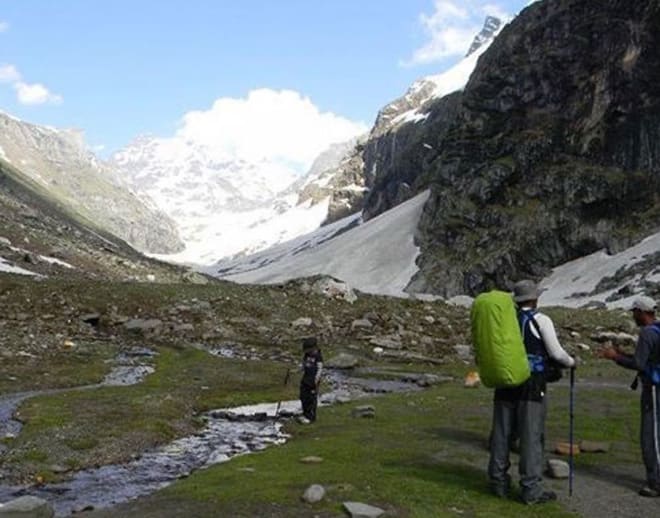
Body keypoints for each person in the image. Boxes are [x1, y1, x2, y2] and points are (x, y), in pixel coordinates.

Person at [488, 279, 576, 504]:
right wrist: (571, 362)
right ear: (535, 298)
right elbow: (556, 353)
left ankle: (498, 482)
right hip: (532, 385)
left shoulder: (506, 320)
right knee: (531, 437)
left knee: (502, 434)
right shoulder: (540, 319)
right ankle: (531, 489)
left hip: (505, 382)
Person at [599, 295, 660, 497]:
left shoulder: (647, 334)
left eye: (634, 312)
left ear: (641, 313)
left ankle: (655, 482)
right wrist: (623, 354)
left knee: (650, 435)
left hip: (653, 389)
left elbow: (639, 364)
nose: (633, 316)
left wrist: (615, 356)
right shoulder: (657, 330)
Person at [299, 336, 323, 424]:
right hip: (305, 379)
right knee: (303, 397)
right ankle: (305, 414)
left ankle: (311, 417)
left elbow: (320, 369)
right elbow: (304, 365)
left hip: (313, 381)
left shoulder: (318, 356)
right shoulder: (307, 355)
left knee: (311, 399)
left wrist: (316, 380)